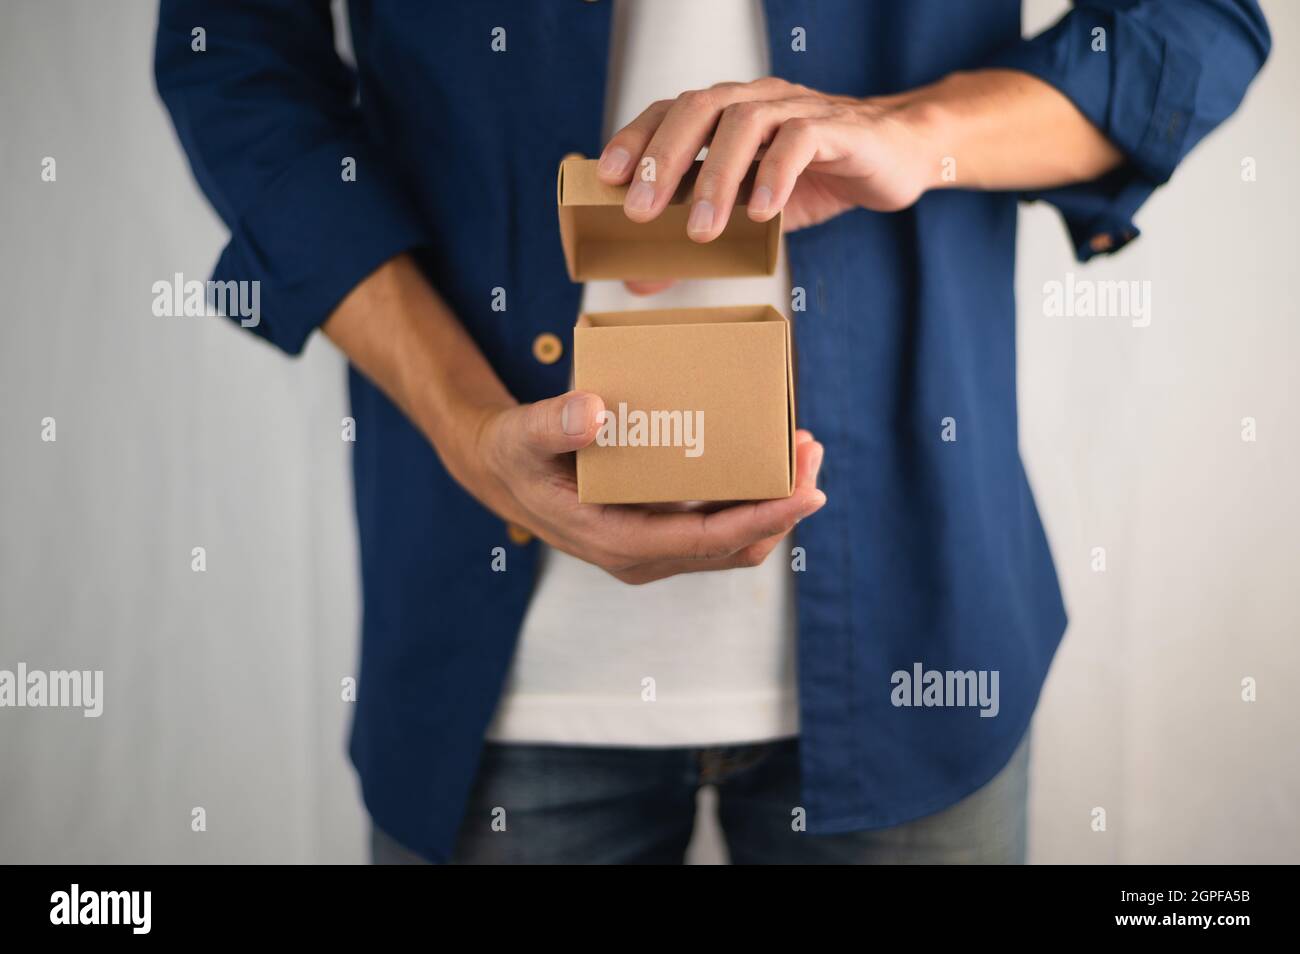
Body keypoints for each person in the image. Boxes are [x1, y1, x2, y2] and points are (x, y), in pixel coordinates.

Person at [154, 0, 1269, 864]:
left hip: (920, 632)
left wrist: (915, 131)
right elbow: (236, 58)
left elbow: (1192, 21)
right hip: (485, 652)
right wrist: (467, 426)